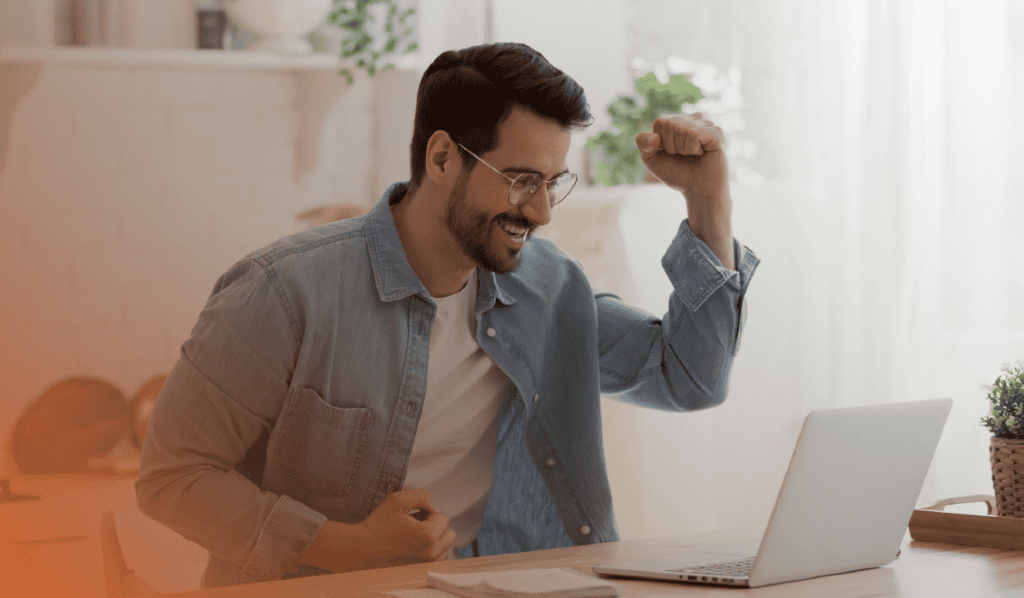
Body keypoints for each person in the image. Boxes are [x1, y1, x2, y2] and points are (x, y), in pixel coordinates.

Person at [136, 42, 759, 588]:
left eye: (552, 182)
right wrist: (340, 546)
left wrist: (709, 201)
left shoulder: (549, 287)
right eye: (520, 180)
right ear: (441, 159)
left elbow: (692, 378)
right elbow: (172, 475)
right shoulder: (284, 291)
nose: (540, 212)